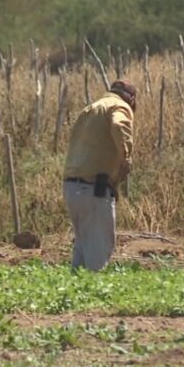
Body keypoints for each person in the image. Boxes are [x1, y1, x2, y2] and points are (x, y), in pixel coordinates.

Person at [63, 79, 136, 271]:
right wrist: (126, 158)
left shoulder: (90, 109)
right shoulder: (119, 107)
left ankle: (75, 294)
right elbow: (119, 126)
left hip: (72, 188)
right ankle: (93, 297)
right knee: (98, 252)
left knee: (82, 248)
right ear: (131, 98)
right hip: (94, 189)